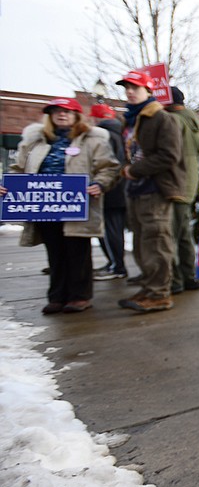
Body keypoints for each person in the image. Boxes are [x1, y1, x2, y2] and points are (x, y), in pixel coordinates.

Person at [0, 98, 119, 314]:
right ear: (49, 116)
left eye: (67, 111)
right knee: (54, 252)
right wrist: (6, 184)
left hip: (78, 205)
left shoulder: (93, 140)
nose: (61, 114)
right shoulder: (34, 141)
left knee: (77, 251)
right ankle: (57, 296)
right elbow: (18, 168)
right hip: (44, 206)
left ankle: (79, 296)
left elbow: (108, 168)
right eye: (56, 111)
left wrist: (100, 184)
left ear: (76, 115)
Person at [115, 70, 185, 313]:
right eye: (127, 88)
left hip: (155, 189)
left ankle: (159, 294)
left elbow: (170, 155)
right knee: (141, 242)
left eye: (135, 87)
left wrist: (135, 170)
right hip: (135, 190)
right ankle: (149, 287)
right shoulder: (131, 119)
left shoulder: (162, 118)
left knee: (156, 241)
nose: (130, 92)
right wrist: (127, 170)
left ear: (148, 90)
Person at [164, 86, 199, 295]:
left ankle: (175, 280)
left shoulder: (173, 121)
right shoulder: (191, 120)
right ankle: (189, 276)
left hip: (175, 181)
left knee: (170, 233)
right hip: (188, 181)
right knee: (183, 233)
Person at [90, 103, 128, 281]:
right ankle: (114, 263)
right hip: (119, 189)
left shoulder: (104, 137)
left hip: (110, 190)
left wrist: (103, 184)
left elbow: (110, 165)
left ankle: (117, 266)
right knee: (114, 229)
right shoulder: (120, 134)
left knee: (109, 230)